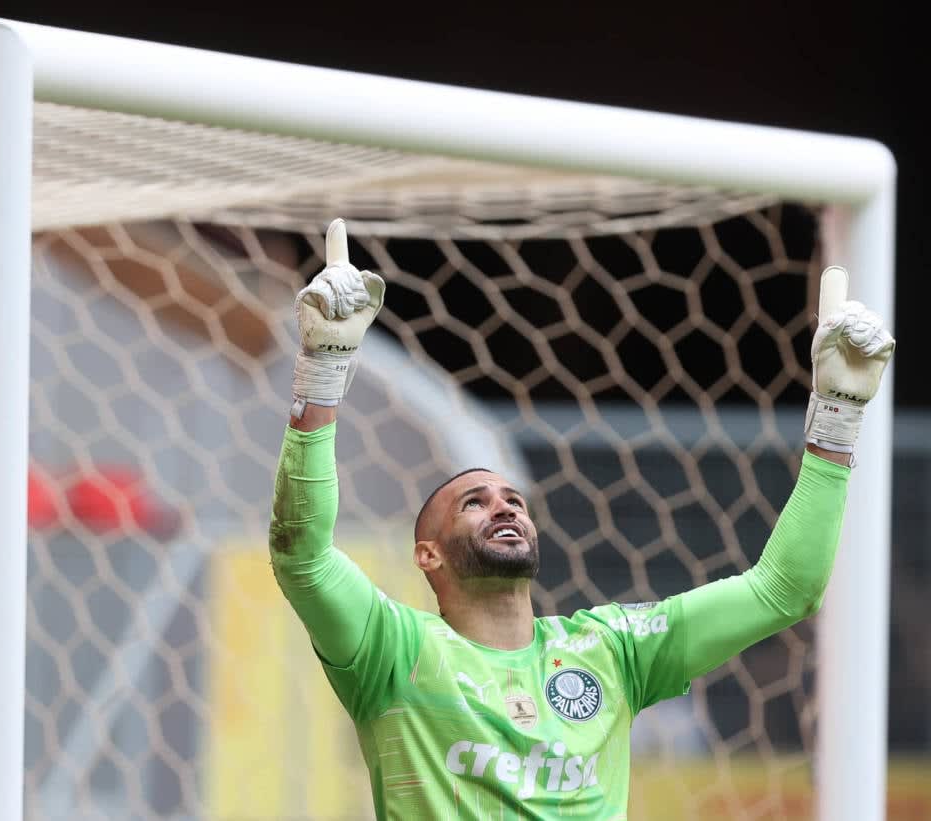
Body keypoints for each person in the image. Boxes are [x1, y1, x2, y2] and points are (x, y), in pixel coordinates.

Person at [268, 218, 895, 818]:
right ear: (427, 554)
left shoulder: (611, 649)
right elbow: (303, 554)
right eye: (474, 502)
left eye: (513, 499)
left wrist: (837, 417)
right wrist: (321, 372)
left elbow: (785, 589)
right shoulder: (392, 649)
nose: (504, 506)